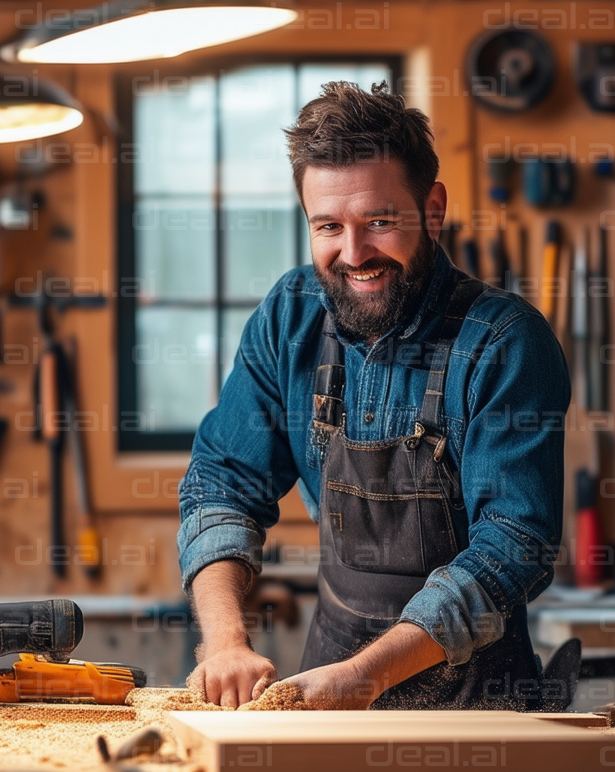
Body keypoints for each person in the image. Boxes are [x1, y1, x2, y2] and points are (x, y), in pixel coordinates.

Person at [179, 82, 570, 711]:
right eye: (329, 226)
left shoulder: (504, 341)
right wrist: (223, 641)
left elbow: (513, 545)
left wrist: (366, 677)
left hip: (476, 708)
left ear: (433, 208)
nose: (354, 253)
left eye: (380, 222)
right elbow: (222, 483)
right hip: (323, 682)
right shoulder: (290, 315)